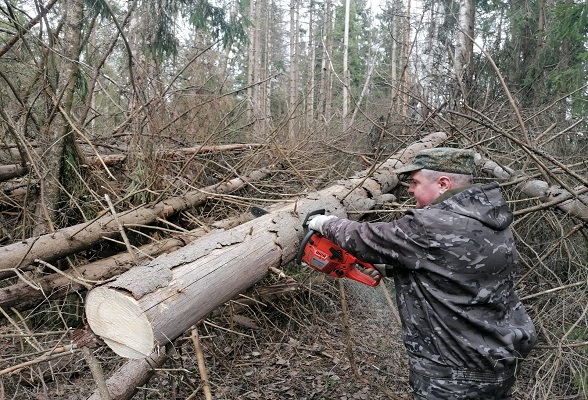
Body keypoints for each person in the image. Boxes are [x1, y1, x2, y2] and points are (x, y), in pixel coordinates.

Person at [308, 147, 537, 400]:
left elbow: (366, 238)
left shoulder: (431, 224)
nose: (409, 189)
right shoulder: (491, 221)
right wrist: (388, 269)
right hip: (498, 364)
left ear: (443, 183)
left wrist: (321, 223)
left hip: (452, 374)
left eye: (415, 182)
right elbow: (452, 269)